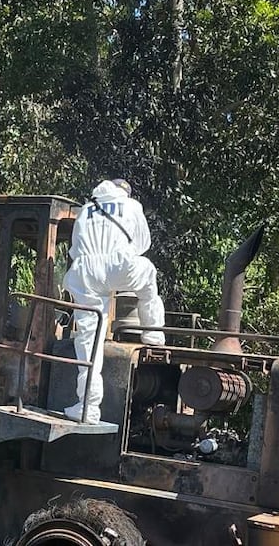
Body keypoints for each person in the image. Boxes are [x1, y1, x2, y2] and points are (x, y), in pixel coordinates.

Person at [63, 179, 165, 424]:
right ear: (126, 192)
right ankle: (152, 333)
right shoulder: (131, 206)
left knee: (88, 338)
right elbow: (143, 244)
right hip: (119, 265)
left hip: (85, 270)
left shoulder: (86, 209)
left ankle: (87, 407)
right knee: (148, 276)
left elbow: (75, 249)